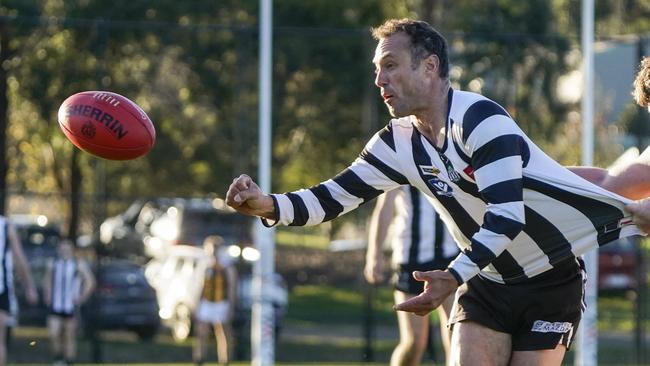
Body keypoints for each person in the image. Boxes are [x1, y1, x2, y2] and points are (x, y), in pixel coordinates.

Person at [226, 19, 650, 365]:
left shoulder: (482, 119)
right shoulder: (396, 143)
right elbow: (330, 197)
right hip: (487, 281)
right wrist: (268, 204)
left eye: (390, 65)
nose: (379, 79)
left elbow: (507, 216)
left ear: (430, 67)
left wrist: (451, 277)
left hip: (550, 279)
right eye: (377, 68)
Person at [365, 186, 458, 366]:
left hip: (450, 258)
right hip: (411, 260)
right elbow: (385, 207)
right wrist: (374, 256)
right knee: (414, 342)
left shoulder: (452, 159)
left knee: (455, 333)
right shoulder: (400, 159)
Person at [43, 239, 95, 366]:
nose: (64, 250)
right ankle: (58, 359)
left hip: (71, 306)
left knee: (69, 336)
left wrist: (82, 297)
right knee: (54, 333)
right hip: (56, 304)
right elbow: (47, 281)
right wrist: (47, 295)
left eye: (67, 248)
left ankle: (68, 361)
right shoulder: (53, 263)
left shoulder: (78, 264)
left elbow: (90, 282)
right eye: (62, 248)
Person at [193, 235, 237, 366]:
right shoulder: (205, 265)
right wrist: (197, 303)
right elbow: (201, 285)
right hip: (207, 301)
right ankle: (199, 359)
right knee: (201, 332)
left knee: (223, 332)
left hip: (221, 302)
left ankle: (225, 360)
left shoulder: (226, 266)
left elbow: (231, 286)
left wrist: (231, 305)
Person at [0, 215, 38, 366]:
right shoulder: (5, 224)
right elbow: (19, 257)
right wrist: (30, 286)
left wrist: (29, 285)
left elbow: (19, 257)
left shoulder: (6, 225)